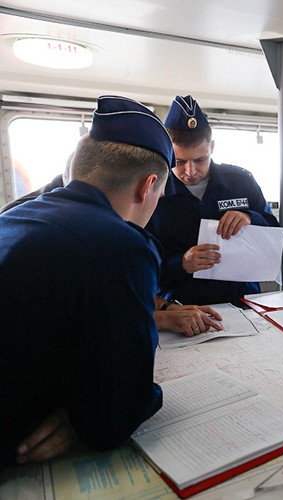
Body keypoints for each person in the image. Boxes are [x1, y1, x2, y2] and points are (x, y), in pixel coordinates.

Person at [0, 96, 172, 469]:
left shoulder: (14, 215)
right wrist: (80, 418)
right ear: (148, 186)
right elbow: (113, 418)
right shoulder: (120, 246)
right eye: (160, 195)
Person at [1, 171, 224, 337]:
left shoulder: (18, 215)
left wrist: (166, 307)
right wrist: (164, 318)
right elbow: (86, 322)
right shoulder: (107, 241)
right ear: (146, 187)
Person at [146, 95, 279, 305]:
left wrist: (249, 217)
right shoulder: (152, 191)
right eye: (179, 162)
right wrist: (181, 264)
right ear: (167, 152)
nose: (190, 171)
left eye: (200, 160)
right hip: (184, 307)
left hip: (242, 300)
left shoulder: (240, 181)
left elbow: (274, 232)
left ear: (212, 147)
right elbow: (140, 262)